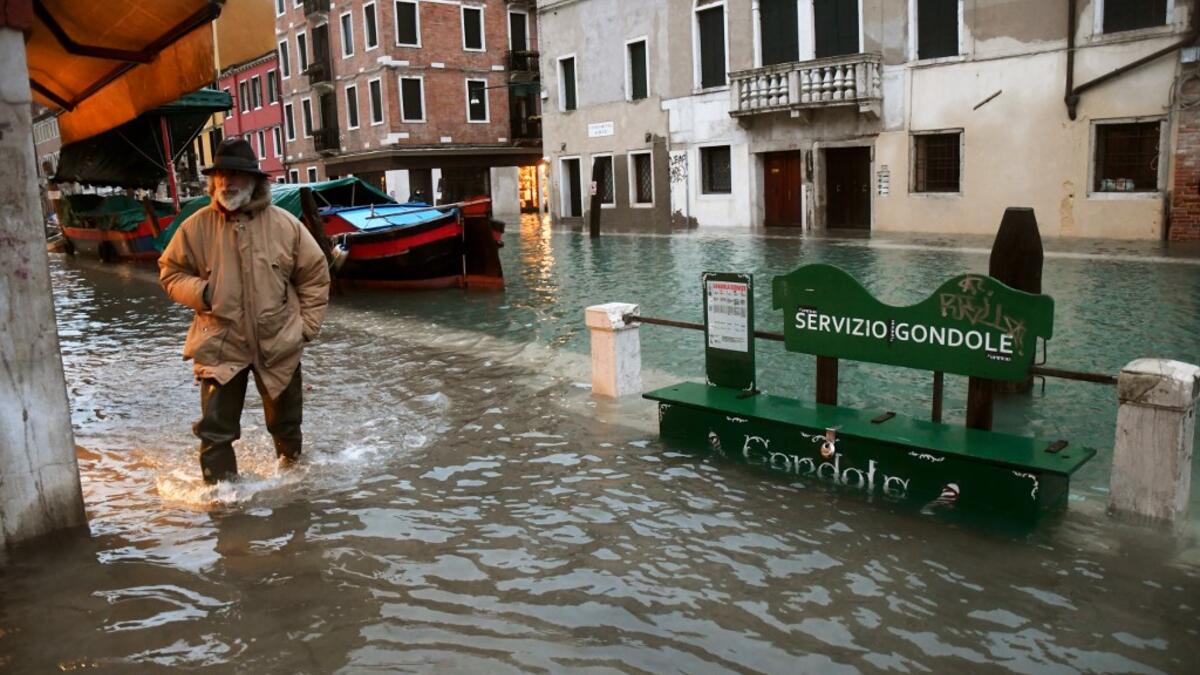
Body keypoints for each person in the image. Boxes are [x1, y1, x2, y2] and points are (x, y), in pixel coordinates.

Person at [160, 138, 330, 484]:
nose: (227, 182)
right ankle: (224, 508)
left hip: (279, 342)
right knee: (215, 433)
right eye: (222, 174)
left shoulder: (287, 226)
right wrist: (203, 292)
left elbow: (315, 275)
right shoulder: (195, 227)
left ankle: (295, 498)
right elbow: (170, 273)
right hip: (220, 344)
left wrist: (306, 328)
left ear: (254, 181)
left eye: (236, 175)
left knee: (287, 428)